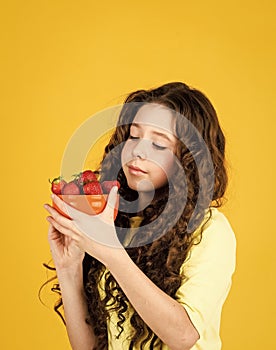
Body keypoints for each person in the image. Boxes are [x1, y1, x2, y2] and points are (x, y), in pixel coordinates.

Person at [43, 82, 236, 350]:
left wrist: (110, 250)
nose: (137, 151)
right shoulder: (118, 220)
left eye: (158, 143)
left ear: (189, 158)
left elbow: (184, 337)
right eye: (134, 137)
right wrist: (68, 267)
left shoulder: (210, 229)